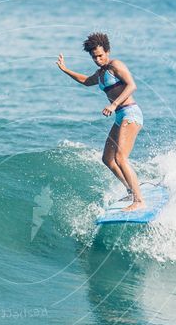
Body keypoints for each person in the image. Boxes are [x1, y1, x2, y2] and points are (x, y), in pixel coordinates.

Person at [57, 32, 145, 211]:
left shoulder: (115, 65)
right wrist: (65, 70)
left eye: (100, 55)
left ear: (108, 51)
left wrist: (113, 105)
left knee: (120, 158)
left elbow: (132, 85)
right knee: (108, 159)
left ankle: (139, 200)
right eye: (94, 57)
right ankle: (130, 189)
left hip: (130, 113)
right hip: (121, 115)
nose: (97, 60)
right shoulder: (100, 73)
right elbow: (85, 81)